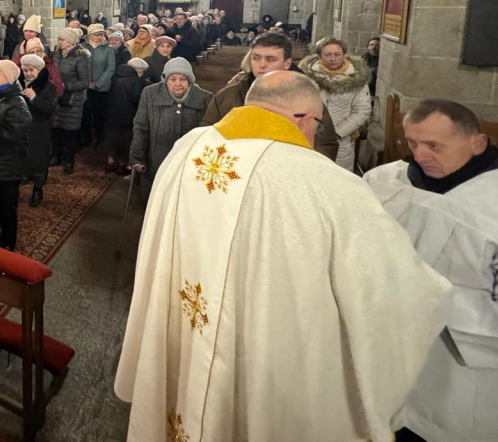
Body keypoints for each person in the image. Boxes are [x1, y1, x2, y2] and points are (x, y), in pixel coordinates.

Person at [116, 71, 451, 442]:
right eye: (317, 125)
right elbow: (391, 291)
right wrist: (439, 291)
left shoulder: (188, 147)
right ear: (304, 118)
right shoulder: (326, 182)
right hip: (259, 352)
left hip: (183, 324)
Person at [364, 99, 498, 442]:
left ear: (477, 144)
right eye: (413, 143)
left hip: (465, 367)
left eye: (434, 146)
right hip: (387, 351)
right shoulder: (384, 182)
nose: (420, 156)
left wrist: (429, 298)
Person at [203, 33, 340, 162]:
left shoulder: (306, 98)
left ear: (287, 63)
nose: (261, 65)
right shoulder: (227, 96)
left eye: (270, 59)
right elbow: (207, 137)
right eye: (256, 58)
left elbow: (325, 144)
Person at [129, 58, 213, 199]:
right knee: (153, 201)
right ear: (165, 79)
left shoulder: (206, 98)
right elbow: (141, 127)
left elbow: (208, 134)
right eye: (172, 79)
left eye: (183, 79)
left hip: (189, 164)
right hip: (155, 160)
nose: (177, 84)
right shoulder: (150, 94)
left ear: (190, 81)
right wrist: (137, 157)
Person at [300, 37, 372, 172]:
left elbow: (362, 111)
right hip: (309, 136)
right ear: (320, 56)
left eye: (337, 54)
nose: (332, 59)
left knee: (338, 179)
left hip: (342, 140)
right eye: (327, 55)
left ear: (343, 55)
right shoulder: (305, 76)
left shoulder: (357, 79)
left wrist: (336, 133)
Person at [0, 60, 31, 249]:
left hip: (7, 167)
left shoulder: (16, 103)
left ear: (8, 78)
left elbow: (15, 135)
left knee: (6, 210)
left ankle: (7, 246)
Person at [51, 28, 91, 174]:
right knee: (56, 128)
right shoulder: (57, 53)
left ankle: (69, 161)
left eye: (63, 40)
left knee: (70, 131)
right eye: (59, 39)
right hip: (57, 97)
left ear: (71, 42)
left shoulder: (80, 56)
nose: (60, 42)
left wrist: (66, 86)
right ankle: (56, 156)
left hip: (72, 100)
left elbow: (85, 81)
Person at [20, 54, 57, 207]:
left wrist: (34, 98)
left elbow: (50, 108)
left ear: (40, 70)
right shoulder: (20, 84)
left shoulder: (49, 86)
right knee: (24, 156)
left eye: (32, 70)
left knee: (38, 159)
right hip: (24, 128)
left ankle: (37, 188)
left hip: (40, 128)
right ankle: (26, 175)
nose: (28, 73)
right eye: (26, 70)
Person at [105, 57, 150, 174]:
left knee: (112, 139)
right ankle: (122, 165)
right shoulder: (134, 81)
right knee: (125, 141)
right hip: (127, 116)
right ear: (138, 71)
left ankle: (110, 161)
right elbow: (136, 100)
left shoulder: (116, 76)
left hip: (111, 113)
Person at [81, 24, 115, 148]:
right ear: (90, 35)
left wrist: (98, 83)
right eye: (97, 34)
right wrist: (86, 82)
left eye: (101, 34)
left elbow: (110, 68)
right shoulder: (83, 47)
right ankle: (86, 137)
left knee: (99, 115)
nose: (100, 37)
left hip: (101, 89)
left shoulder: (108, 49)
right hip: (85, 87)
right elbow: (80, 66)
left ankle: (100, 138)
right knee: (86, 114)